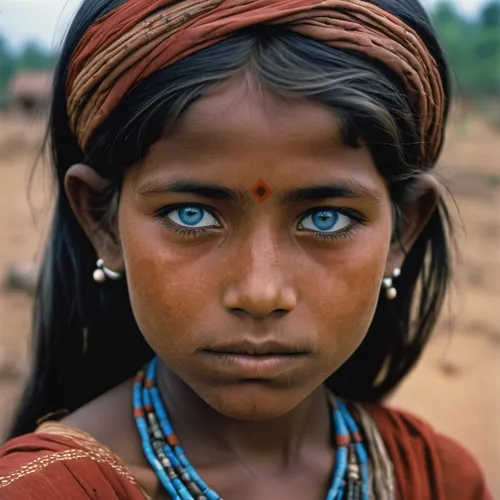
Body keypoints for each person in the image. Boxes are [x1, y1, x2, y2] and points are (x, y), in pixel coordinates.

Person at [0, 0, 493, 499]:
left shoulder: (440, 481)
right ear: (100, 223)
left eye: (327, 218)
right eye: (190, 214)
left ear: (402, 231)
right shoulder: (43, 490)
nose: (260, 293)